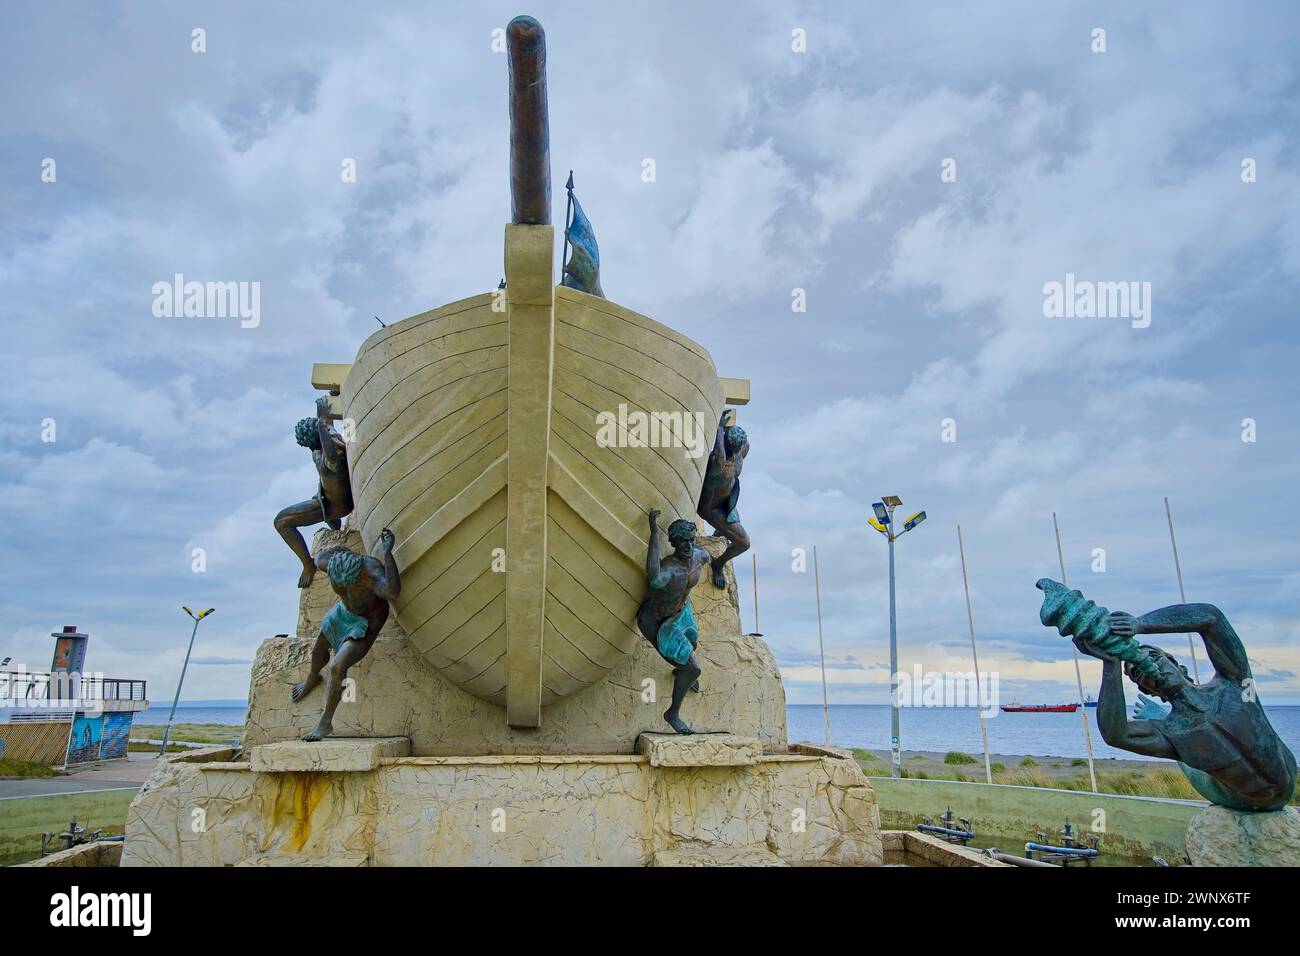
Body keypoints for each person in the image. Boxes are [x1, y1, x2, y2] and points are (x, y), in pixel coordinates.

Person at [291, 528, 400, 741]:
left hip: (366, 622)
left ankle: (325, 722)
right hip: (343, 612)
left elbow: (393, 592)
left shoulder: (372, 574)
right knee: (319, 648)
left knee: (337, 666)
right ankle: (312, 678)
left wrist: (388, 554)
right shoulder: (327, 561)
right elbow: (320, 558)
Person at [637, 510, 710, 734]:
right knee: (694, 668)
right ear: (674, 544)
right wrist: (653, 534)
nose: (688, 546)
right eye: (682, 542)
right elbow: (654, 577)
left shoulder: (700, 556)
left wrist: (719, 570)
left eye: (691, 540)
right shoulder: (668, 569)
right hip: (659, 623)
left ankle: (681, 673)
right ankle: (673, 714)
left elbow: (709, 556)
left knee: (693, 642)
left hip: (681, 613)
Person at [275, 396, 354, 588]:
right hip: (323, 496)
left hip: (334, 506)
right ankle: (336, 532)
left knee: (281, 522)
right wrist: (324, 414)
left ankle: (308, 565)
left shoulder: (331, 459)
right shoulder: (324, 442)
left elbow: (332, 454)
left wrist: (320, 425)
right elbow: (328, 425)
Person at [696, 410, 749, 589]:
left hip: (727, 504)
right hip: (710, 508)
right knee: (743, 543)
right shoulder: (719, 460)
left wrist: (728, 428)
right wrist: (719, 426)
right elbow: (718, 447)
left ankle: (721, 535)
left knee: (742, 542)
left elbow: (746, 444)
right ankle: (717, 564)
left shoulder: (739, 453)